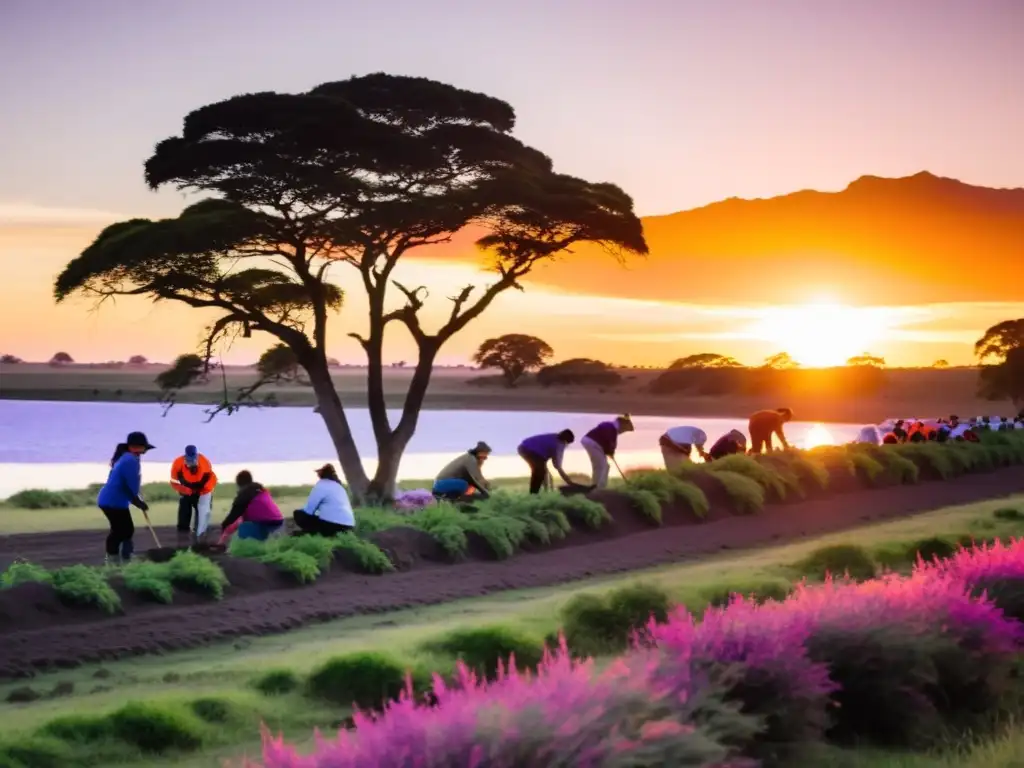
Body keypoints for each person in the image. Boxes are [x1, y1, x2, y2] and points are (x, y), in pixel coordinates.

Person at [96, 431, 155, 564]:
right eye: (144, 446)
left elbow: (131, 484)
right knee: (124, 530)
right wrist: (137, 501)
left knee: (122, 530)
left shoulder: (127, 457)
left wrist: (137, 499)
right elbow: (128, 485)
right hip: (113, 501)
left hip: (111, 500)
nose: (145, 450)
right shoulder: (130, 460)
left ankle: (121, 558)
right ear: (137, 446)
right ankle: (119, 559)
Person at [170, 445, 217, 545]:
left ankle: (200, 541)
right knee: (184, 513)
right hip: (186, 491)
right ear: (185, 458)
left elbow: (211, 480)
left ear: (197, 458)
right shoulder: (177, 464)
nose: (191, 463)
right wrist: (185, 490)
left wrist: (202, 492)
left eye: (193, 460)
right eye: (189, 460)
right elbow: (174, 482)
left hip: (202, 492)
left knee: (202, 517)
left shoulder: (204, 463)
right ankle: (182, 541)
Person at [217, 470, 284, 541]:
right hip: (279, 521)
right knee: (243, 522)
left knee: (244, 527)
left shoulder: (244, 495)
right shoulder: (260, 490)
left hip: (265, 522)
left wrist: (223, 528)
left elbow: (232, 518)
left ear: (239, 484)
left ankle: (247, 546)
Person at [294, 463, 356, 536]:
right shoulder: (338, 485)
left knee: (298, 514)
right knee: (318, 516)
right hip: (349, 526)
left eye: (318, 472)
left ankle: (311, 533)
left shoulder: (321, 484)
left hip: (333, 526)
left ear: (322, 473)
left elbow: (309, 510)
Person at [580, 414, 634, 489]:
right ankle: (596, 487)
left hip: (596, 445)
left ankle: (601, 486)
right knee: (600, 465)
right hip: (592, 443)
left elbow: (610, 444)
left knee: (605, 466)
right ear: (621, 424)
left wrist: (610, 451)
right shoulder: (609, 426)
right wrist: (610, 450)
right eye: (624, 429)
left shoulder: (613, 430)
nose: (623, 431)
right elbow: (608, 440)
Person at [517, 430, 575, 494]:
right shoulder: (559, 444)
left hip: (523, 448)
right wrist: (569, 482)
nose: (566, 446)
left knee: (542, 471)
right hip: (528, 450)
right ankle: (534, 494)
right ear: (565, 441)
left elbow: (555, 464)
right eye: (567, 444)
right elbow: (558, 466)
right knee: (540, 471)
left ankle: (544, 492)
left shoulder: (555, 437)